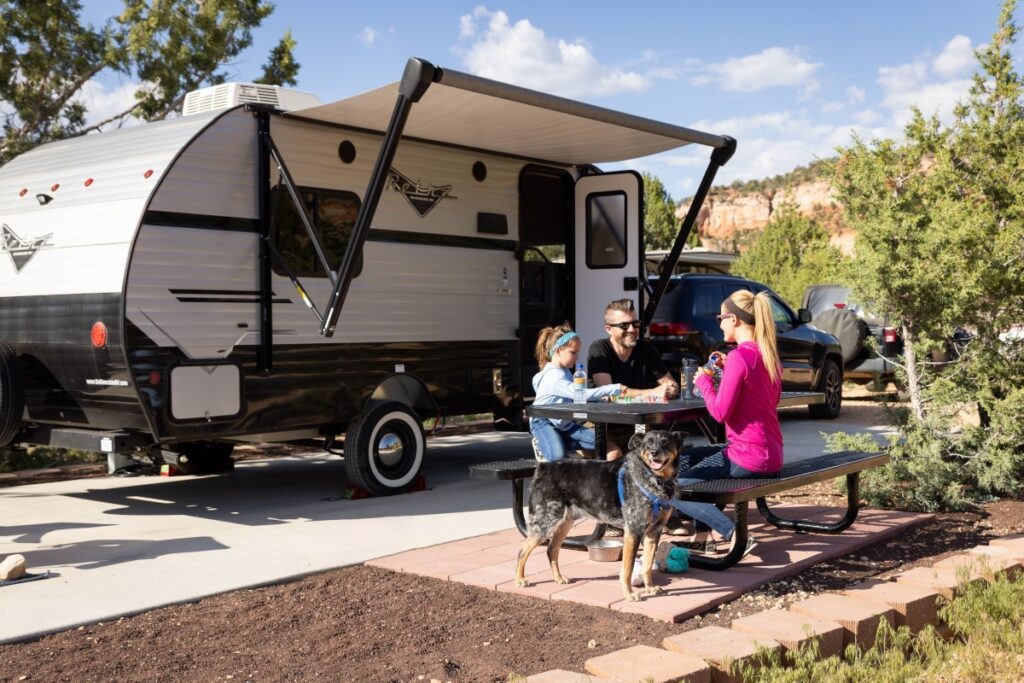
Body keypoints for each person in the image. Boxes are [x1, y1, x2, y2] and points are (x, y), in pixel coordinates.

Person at [673, 289, 784, 554]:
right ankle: (701, 539)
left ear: (734, 319)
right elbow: (768, 398)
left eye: (721, 317)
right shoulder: (767, 355)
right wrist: (727, 371)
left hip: (746, 457)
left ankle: (736, 534)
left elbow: (720, 413)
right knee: (686, 459)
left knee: (671, 485)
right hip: (771, 455)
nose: (719, 323)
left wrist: (704, 382)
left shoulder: (738, 357)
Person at [588, 298, 679, 460]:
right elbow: (610, 394)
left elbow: (669, 383)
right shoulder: (599, 349)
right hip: (600, 424)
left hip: (635, 424)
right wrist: (653, 393)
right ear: (608, 329)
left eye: (635, 324)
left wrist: (670, 388)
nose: (632, 329)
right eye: (624, 325)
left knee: (660, 455)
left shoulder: (646, 348)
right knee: (614, 456)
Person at [530, 324, 623, 462]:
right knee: (557, 457)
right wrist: (615, 388)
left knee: (601, 444)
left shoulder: (565, 371)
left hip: (564, 423)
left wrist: (600, 400)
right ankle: (543, 444)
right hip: (544, 421)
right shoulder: (554, 377)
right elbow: (581, 394)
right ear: (558, 351)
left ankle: (555, 442)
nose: (577, 357)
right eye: (573, 352)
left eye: (578, 352)